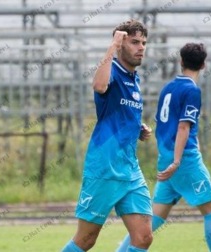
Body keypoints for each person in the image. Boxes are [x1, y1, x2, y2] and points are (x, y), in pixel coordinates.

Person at [117, 43, 211, 252]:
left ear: (181, 62)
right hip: (183, 159)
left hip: (166, 157)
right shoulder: (192, 90)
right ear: (204, 65)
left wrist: (168, 157)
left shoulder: (168, 88)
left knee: (154, 220)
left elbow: (163, 125)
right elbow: (183, 127)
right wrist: (178, 161)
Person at [62, 19, 154, 252]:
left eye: (143, 42)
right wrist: (112, 47)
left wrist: (138, 127)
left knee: (143, 237)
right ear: (121, 44)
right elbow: (99, 86)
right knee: (86, 240)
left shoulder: (134, 79)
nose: (141, 47)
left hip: (129, 169)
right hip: (104, 168)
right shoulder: (112, 70)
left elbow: (119, 112)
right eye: (134, 42)